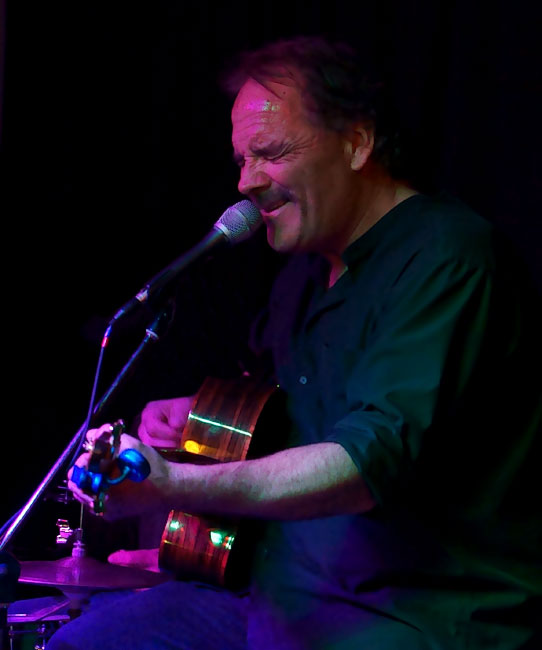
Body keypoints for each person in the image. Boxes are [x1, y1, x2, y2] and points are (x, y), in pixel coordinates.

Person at [46, 35, 541, 649]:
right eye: (241, 160)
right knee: (84, 641)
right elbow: (284, 415)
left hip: (410, 617)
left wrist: (172, 482)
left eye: (272, 153)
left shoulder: (449, 260)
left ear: (356, 142)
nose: (247, 182)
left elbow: (363, 464)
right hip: (274, 596)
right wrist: (198, 420)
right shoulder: (304, 273)